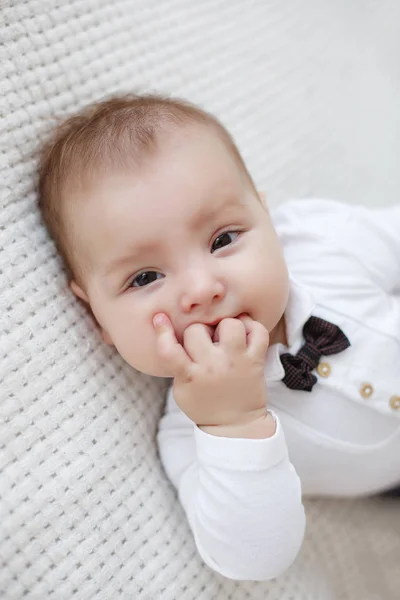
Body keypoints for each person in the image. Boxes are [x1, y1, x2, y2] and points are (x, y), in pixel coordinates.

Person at [37, 93, 400, 581]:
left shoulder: (320, 242)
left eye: (223, 240)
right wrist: (234, 422)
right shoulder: (194, 437)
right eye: (144, 278)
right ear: (97, 317)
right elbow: (256, 558)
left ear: (268, 221)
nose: (201, 290)